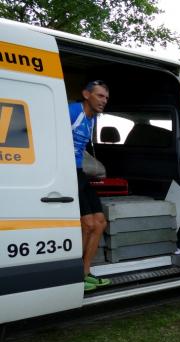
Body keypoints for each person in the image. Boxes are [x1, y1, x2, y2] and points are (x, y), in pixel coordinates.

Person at [69, 80, 110, 292]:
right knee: (87, 224)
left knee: (100, 222)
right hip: (67, 173)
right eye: (100, 96)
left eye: (106, 98)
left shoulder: (92, 119)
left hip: (80, 173)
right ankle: (76, 276)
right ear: (86, 94)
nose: (104, 101)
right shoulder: (73, 111)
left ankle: (85, 272)